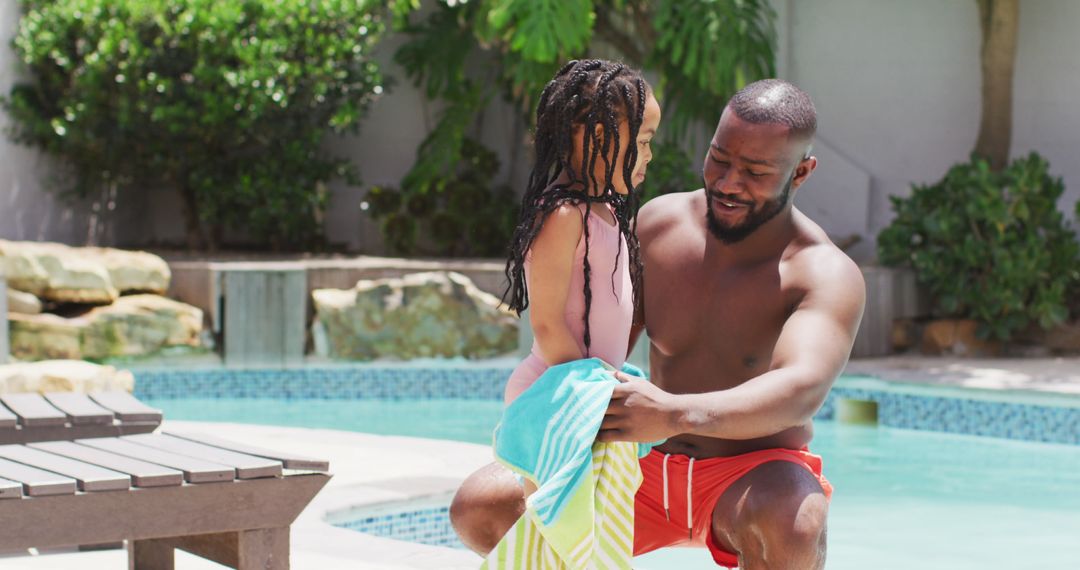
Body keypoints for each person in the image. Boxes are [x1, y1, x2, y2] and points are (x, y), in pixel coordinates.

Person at [452, 78, 866, 570]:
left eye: (755, 172)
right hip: (641, 465)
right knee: (480, 506)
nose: (729, 182)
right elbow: (599, 340)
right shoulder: (659, 225)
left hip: (747, 476)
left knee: (795, 523)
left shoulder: (823, 272)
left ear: (800, 173)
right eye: (720, 158)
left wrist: (674, 413)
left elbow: (802, 389)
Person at [500, 58, 661, 406]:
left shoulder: (606, 210)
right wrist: (594, 393)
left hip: (588, 390)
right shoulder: (563, 216)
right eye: (644, 141)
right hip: (554, 395)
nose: (648, 155)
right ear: (602, 137)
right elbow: (547, 324)